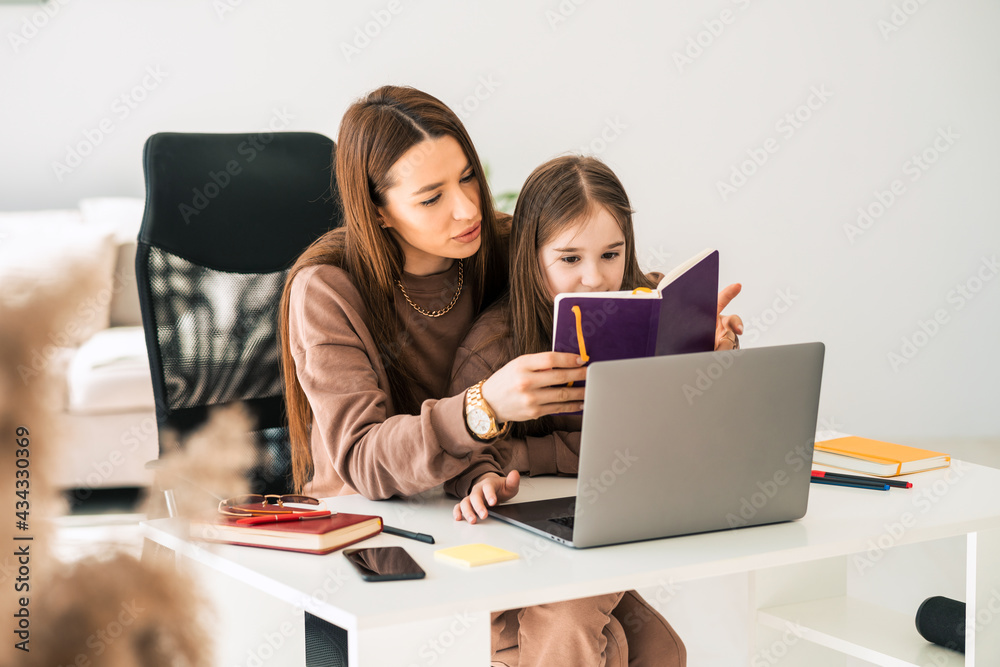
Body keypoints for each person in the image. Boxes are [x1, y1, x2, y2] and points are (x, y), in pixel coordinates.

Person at [446, 155, 743, 666]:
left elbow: (658, 447)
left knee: (658, 649)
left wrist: (712, 360)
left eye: (611, 254)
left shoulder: (653, 310)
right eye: (569, 259)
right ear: (531, 259)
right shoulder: (494, 347)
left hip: (606, 526)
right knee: (606, 638)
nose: (595, 279)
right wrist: (483, 477)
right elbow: (466, 453)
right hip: (520, 551)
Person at [278, 85, 589, 499]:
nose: (468, 209)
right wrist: (484, 406)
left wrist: (687, 318)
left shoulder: (506, 244)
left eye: (467, 178)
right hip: (367, 524)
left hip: (488, 505)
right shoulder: (327, 289)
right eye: (432, 198)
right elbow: (362, 459)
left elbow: (607, 279)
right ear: (378, 212)